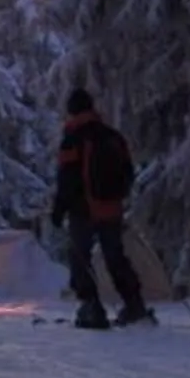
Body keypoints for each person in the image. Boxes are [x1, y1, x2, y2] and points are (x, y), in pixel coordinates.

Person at [52, 87, 153, 330]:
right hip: (111, 208)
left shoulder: (73, 137)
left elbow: (67, 178)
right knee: (115, 256)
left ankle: (91, 306)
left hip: (83, 209)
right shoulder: (111, 136)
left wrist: (59, 209)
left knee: (80, 257)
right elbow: (128, 172)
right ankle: (134, 305)